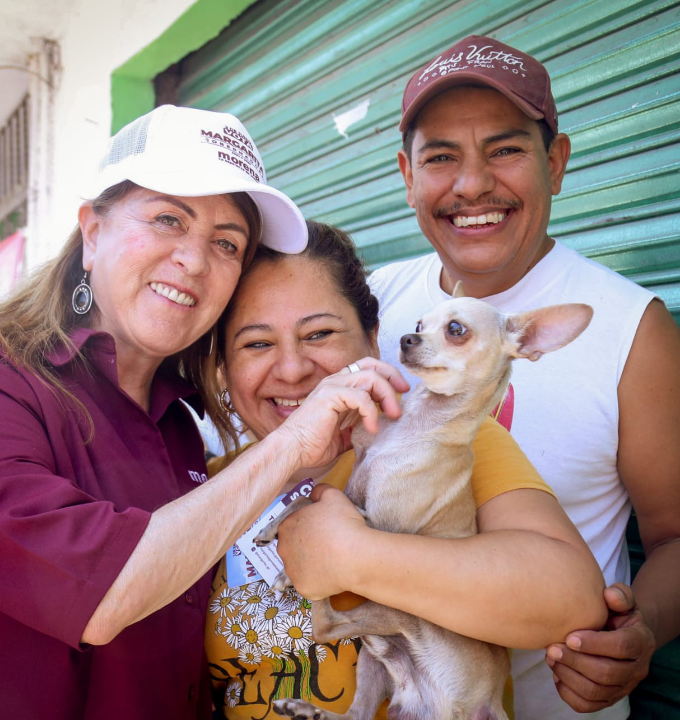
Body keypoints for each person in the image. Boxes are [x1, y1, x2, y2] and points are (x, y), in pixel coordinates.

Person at [0, 105, 404, 720]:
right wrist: (288, 449)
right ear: (93, 233)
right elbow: (99, 597)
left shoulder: (182, 431)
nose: (194, 260)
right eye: (166, 219)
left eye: (226, 242)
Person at [334, 35, 680, 718]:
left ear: (557, 161)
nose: (472, 184)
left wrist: (643, 630)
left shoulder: (633, 331)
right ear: (406, 175)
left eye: (505, 150)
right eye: (441, 157)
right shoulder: (372, 308)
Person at [203, 220, 606, 718]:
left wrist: (355, 553)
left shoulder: (448, 440)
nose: (292, 369)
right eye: (257, 344)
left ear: (373, 339)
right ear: (221, 364)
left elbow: (573, 603)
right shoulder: (208, 484)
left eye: (320, 333)